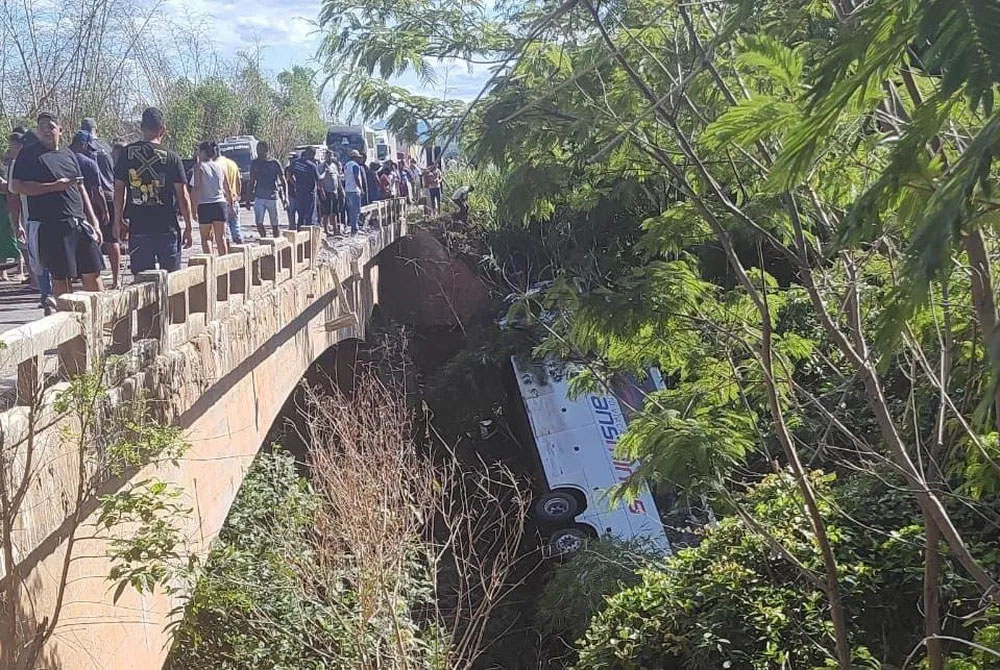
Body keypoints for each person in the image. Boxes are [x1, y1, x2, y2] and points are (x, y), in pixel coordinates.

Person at [11, 112, 104, 297]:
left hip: (78, 222)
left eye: (51, 127)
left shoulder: (69, 154)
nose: (46, 131)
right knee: (61, 278)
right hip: (51, 226)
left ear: (60, 130)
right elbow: (16, 186)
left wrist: (94, 221)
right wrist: (53, 187)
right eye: (42, 127)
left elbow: (80, 186)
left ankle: (101, 321)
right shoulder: (29, 154)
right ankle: (67, 319)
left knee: (93, 272)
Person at [113, 107, 193, 273]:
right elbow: (182, 196)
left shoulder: (127, 154)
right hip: (167, 227)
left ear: (142, 127)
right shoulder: (171, 157)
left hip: (139, 227)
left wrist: (117, 220)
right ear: (163, 129)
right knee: (172, 282)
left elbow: (119, 191)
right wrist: (189, 226)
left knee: (142, 283)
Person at [71, 130, 119, 288]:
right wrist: (104, 210)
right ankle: (115, 278)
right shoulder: (89, 162)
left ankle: (79, 279)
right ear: (83, 144)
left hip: (73, 208)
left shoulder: (63, 158)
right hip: (95, 204)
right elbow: (97, 190)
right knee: (110, 240)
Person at [192, 141, 231, 256]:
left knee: (206, 238)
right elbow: (227, 187)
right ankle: (224, 266)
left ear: (203, 152)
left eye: (199, 151)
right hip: (220, 203)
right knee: (221, 238)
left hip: (205, 205)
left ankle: (210, 265)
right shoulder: (219, 167)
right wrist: (231, 204)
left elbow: (197, 188)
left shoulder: (199, 167)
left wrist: (194, 208)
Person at [248, 141, 286, 238]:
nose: (258, 151)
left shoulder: (274, 163)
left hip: (273, 196)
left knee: (275, 224)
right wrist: (248, 198)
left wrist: (285, 197)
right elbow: (251, 180)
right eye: (257, 149)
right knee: (258, 222)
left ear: (266, 150)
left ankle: (276, 242)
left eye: (260, 149)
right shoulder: (255, 163)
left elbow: (283, 180)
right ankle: (264, 240)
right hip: (259, 196)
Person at [287, 147, 319, 229]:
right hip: (309, 193)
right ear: (312, 154)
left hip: (299, 192)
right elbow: (318, 179)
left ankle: (299, 230)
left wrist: (295, 184)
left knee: (300, 214)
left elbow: (289, 174)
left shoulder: (295, 163)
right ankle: (307, 232)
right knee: (308, 215)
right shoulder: (312, 165)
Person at [218, 152, 244, 244]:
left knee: (225, 235)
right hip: (234, 200)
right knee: (236, 229)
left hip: (222, 201)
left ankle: (227, 256)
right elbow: (239, 182)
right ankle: (242, 252)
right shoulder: (233, 164)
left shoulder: (216, 165)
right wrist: (237, 196)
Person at [0, 175, 22, 281]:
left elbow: (8, 188)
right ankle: (3, 273)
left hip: (4, 213)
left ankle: (20, 271)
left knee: (14, 241)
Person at [317, 154, 342, 234]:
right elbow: (319, 179)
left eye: (331, 156)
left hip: (334, 191)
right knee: (326, 212)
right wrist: (322, 191)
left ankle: (335, 229)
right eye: (328, 156)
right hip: (326, 191)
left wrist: (340, 190)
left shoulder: (334, 165)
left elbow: (337, 178)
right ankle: (326, 230)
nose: (330, 158)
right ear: (325, 157)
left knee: (335, 211)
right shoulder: (322, 166)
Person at [343, 150, 365, 235]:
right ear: (355, 157)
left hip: (348, 190)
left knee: (351, 210)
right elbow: (356, 177)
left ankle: (353, 227)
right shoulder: (355, 166)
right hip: (355, 190)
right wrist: (361, 188)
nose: (359, 159)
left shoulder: (346, 165)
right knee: (356, 210)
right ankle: (355, 228)